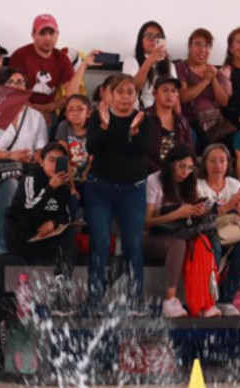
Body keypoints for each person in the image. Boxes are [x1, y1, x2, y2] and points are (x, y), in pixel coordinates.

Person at [85, 74, 149, 312]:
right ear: (109, 94)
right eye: (120, 92)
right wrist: (104, 127)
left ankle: (135, 299)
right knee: (100, 242)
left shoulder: (143, 119)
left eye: (130, 92)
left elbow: (140, 152)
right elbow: (92, 147)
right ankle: (95, 299)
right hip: (100, 189)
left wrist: (134, 131)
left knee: (133, 244)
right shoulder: (97, 116)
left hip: (132, 191)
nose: (125, 97)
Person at [143, 145, 219, 318]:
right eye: (182, 166)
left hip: (182, 232)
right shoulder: (154, 180)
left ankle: (205, 302)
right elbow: (146, 223)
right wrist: (176, 214)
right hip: (153, 238)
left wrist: (199, 211)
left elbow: (191, 216)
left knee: (202, 243)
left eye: (190, 168)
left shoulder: (191, 183)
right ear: (171, 163)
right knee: (178, 243)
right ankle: (170, 300)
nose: (186, 172)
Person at [0, 69, 48, 254]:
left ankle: (35, 248)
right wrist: (10, 156)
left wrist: (32, 157)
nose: (15, 86)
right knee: (10, 184)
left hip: (26, 170)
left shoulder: (36, 117)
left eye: (20, 82)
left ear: (26, 88)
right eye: (10, 82)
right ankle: (3, 247)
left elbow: (41, 149)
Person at [3, 142, 77, 315]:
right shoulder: (31, 178)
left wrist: (53, 223)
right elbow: (29, 209)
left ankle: (60, 293)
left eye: (59, 161)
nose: (55, 165)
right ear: (41, 161)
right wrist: (50, 187)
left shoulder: (63, 183)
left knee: (68, 235)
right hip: (22, 237)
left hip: (45, 237)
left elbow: (66, 216)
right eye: (51, 160)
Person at [197, 143, 240, 315]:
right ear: (205, 163)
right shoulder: (198, 185)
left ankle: (226, 299)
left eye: (222, 160)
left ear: (228, 163)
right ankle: (209, 300)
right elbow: (198, 217)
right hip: (207, 231)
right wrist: (227, 206)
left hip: (232, 233)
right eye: (212, 161)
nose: (218, 165)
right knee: (213, 245)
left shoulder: (234, 184)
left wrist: (237, 205)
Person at [7, 14, 93, 124]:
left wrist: (54, 105)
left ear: (58, 34)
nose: (48, 38)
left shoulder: (62, 59)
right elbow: (13, 92)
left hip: (50, 113)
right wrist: (36, 115)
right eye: (42, 33)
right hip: (21, 111)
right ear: (33, 35)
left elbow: (72, 94)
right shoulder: (20, 56)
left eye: (51, 33)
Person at [174, 28, 231, 147]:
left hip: (216, 121)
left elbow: (224, 102)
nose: (203, 50)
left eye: (207, 46)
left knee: (235, 140)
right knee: (208, 144)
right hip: (194, 121)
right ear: (190, 47)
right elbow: (183, 97)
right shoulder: (181, 67)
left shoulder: (213, 70)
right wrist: (205, 81)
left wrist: (213, 79)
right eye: (198, 44)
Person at [142, 76, 192, 172]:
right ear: (155, 93)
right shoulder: (144, 117)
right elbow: (140, 152)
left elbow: (189, 151)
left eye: (173, 91)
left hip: (177, 174)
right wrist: (159, 172)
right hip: (150, 173)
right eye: (165, 90)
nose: (170, 94)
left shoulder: (182, 120)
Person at [123, 21, 173, 111]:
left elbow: (175, 94)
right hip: (139, 111)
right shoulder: (131, 61)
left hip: (163, 112)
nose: (154, 40)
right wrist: (149, 62)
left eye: (158, 36)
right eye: (149, 36)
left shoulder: (169, 64)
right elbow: (130, 89)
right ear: (141, 41)